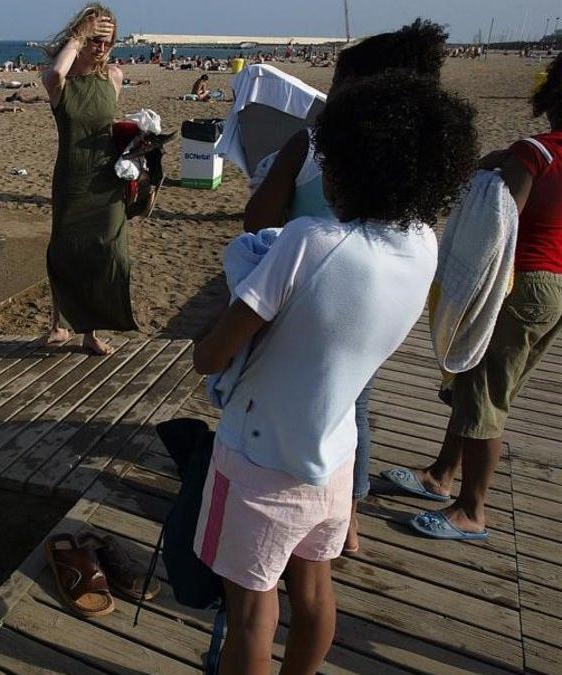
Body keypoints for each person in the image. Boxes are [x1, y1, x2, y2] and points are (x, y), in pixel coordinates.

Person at [192, 72, 476, 675]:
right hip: (335, 459)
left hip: (259, 462)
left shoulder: (307, 242)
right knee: (315, 592)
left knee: (250, 612)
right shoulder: (422, 242)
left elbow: (211, 355)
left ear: (350, 161)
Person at [243, 18, 449, 554]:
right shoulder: (418, 162)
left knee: (286, 402)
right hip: (375, 309)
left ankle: (284, 511)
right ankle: (347, 521)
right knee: (353, 407)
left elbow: (256, 218)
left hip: (298, 297)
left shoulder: (310, 143)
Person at [385, 53, 561, 542]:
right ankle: (442, 474)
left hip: (519, 279)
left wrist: (493, 171)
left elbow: (500, 224)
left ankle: (472, 510)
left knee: (484, 395)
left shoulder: (534, 152)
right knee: (480, 388)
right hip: (554, 286)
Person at [41, 4, 134, 356]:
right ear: (80, 38)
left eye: (107, 42)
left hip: (107, 180)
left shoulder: (114, 77)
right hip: (72, 177)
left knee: (107, 253)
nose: (102, 48)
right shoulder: (61, 83)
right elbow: (53, 75)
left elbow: (107, 126)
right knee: (65, 252)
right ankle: (57, 325)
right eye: (95, 40)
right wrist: (78, 37)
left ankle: (90, 332)